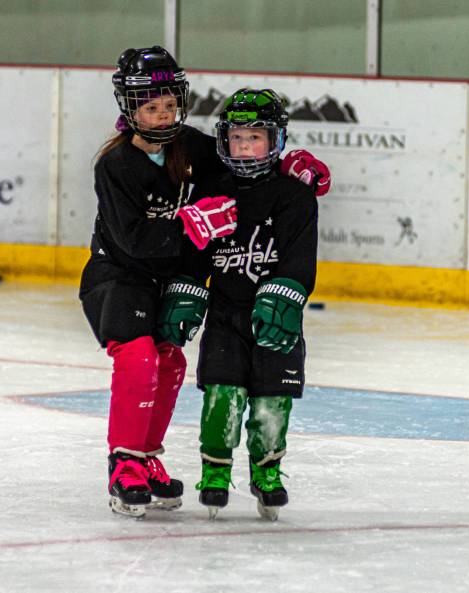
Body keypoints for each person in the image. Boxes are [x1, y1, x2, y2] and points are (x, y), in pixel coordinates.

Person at [81, 47, 330, 519]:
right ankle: (123, 464)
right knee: (137, 356)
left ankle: (146, 456)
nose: (163, 116)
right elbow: (132, 240)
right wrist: (189, 227)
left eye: (170, 105)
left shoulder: (190, 147)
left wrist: (288, 164)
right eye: (151, 107)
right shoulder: (112, 166)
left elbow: (241, 166)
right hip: (117, 275)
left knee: (171, 360)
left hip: (165, 277)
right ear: (129, 108)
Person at [184, 89, 319, 521]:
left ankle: (267, 472)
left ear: (275, 141)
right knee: (222, 396)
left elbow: (301, 257)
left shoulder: (294, 196)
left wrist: (287, 293)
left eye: (255, 138)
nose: (244, 147)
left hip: (275, 321)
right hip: (226, 317)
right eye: (237, 138)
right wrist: (185, 289)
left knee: (271, 403)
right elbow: (195, 254)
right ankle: (216, 472)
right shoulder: (212, 189)